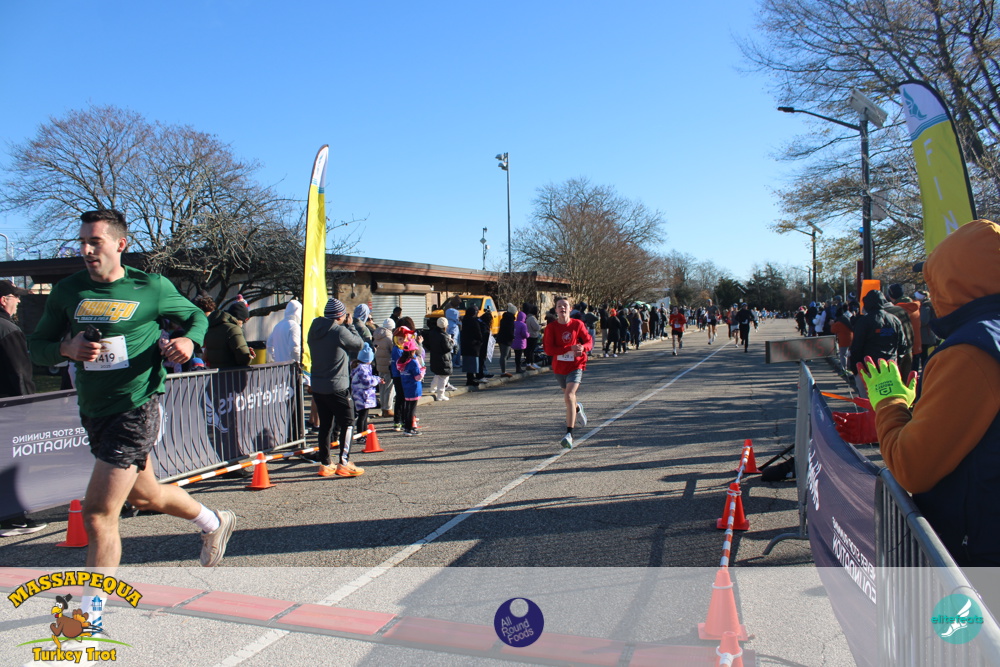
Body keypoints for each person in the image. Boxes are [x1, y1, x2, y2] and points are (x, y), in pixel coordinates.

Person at [28, 209, 235, 584]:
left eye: (95, 242)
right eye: (82, 242)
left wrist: (189, 341)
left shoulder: (151, 287)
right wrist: (66, 348)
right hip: (94, 409)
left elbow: (197, 317)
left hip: (137, 407)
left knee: (98, 514)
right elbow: (36, 346)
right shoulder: (68, 291)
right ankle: (214, 521)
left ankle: (91, 609)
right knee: (146, 495)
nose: (87, 250)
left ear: (120, 244)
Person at [857, 220, 1000, 566]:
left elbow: (912, 467)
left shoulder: (969, 352)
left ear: (952, 280)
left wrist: (889, 401)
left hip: (976, 554)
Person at [0, 279, 48, 537]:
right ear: (3, 300)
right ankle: (12, 519)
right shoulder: (8, 330)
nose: (18, 301)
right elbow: (19, 373)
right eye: (15, 296)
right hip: (9, 408)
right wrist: (28, 404)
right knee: (12, 462)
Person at [308, 297, 364, 477]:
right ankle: (344, 462)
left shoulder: (314, 329)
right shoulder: (339, 331)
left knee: (325, 425)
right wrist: (351, 326)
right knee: (348, 422)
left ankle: (326, 463)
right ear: (340, 316)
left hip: (318, 385)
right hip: (337, 386)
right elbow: (359, 344)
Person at [543, 296, 593, 449]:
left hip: (576, 365)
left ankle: (569, 434)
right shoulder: (551, 328)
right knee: (569, 398)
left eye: (565, 305)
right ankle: (577, 408)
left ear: (570, 309)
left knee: (569, 395)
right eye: (559, 306)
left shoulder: (577, 324)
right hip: (559, 368)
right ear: (556, 310)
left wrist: (583, 348)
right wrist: (568, 348)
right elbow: (549, 350)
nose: (562, 308)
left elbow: (589, 341)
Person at [848, 289, 903, 399]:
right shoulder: (895, 320)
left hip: (868, 368)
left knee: (869, 401)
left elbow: (857, 346)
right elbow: (902, 345)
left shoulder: (864, 321)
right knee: (888, 400)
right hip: (890, 367)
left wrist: (854, 367)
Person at [204, 301, 255, 368]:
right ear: (239, 318)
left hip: (215, 371)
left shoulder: (212, 327)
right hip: (232, 371)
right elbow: (243, 357)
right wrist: (249, 356)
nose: (242, 325)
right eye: (243, 322)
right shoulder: (233, 329)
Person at [350, 343, 380, 441]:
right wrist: (377, 380)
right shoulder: (363, 369)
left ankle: (363, 434)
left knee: (363, 416)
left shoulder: (358, 366)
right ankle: (360, 435)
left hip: (361, 395)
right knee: (362, 417)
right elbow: (367, 382)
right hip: (363, 396)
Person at [397, 339, 425, 435]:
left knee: (407, 407)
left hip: (406, 386)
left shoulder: (401, 361)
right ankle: (409, 428)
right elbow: (418, 377)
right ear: (413, 351)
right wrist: (423, 371)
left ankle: (407, 427)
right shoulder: (412, 362)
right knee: (412, 409)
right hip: (414, 387)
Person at [424, 316, 454, 400]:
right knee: (444, 376)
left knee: (438, 374)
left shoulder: (432, 333)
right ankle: (440, 395)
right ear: (445, 326)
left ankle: (432, 388)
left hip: (434, 356)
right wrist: (452, 342)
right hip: (444, 358)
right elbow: (447, 348)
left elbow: (428, 345)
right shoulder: (444, 336)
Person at [266, 299, 302, 364]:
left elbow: (269, 345)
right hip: (291, 367)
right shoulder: (294, 326)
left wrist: (276, 357)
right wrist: (299, 362)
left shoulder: (278, 325)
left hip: (279, 366)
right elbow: (295, 348)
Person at [373, 317, 396, 417]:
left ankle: (383, 408)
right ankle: (388, 408)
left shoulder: (377, 336)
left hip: (379, 365)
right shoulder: (389, 338)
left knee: (382, 387)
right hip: (388, 365)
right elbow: (393, 351)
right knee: (389, 388)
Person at [460, 305, 483, 385]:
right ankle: (471, 379)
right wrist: (480, 340)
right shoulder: (474, 321)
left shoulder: (465, 320)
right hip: (473, 344)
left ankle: (470, 378)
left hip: (465, 344)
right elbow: (478, 332)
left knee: (468, 362)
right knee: (473, 362)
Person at [497, 306, 515, 377]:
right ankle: (503, 371)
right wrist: (512, 337)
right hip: (506, 339)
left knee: (504, 355)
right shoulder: (510, 320)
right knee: (504, 355)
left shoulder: (503, 318)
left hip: (501, 338)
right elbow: (510, 330)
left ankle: (503, 370)